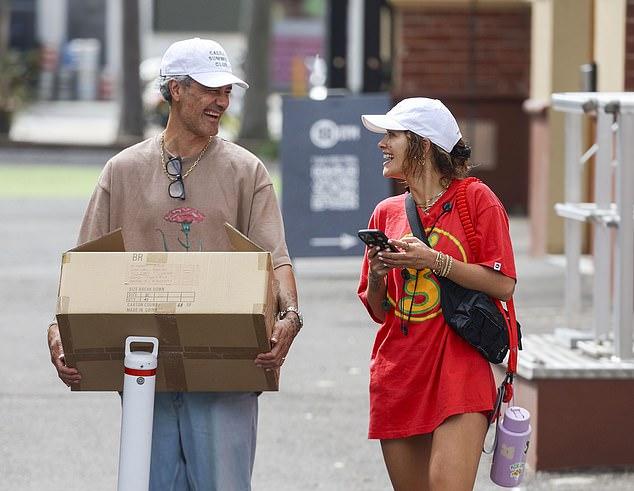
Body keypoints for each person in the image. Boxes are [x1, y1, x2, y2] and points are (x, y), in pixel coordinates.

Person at [46, 37, 302, 490]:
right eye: (210, 89)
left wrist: (290, 317)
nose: (222, 101)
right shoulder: (121, 171)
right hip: (146, 369)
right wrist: (59, 333)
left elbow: (276, 262)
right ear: (175, 89)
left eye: (227, 91)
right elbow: (83, 270)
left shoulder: (248, 171)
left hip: (227, 370)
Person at [357, 98, 516, 490]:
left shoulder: (476, 200)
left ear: (423, 144)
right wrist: (378, 275)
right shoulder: (386, 212)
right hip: (400, 372)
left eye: (392, 135)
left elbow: (504, 284)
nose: (382, 143)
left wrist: (433, 261)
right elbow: (378, 310)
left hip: (459, 368)